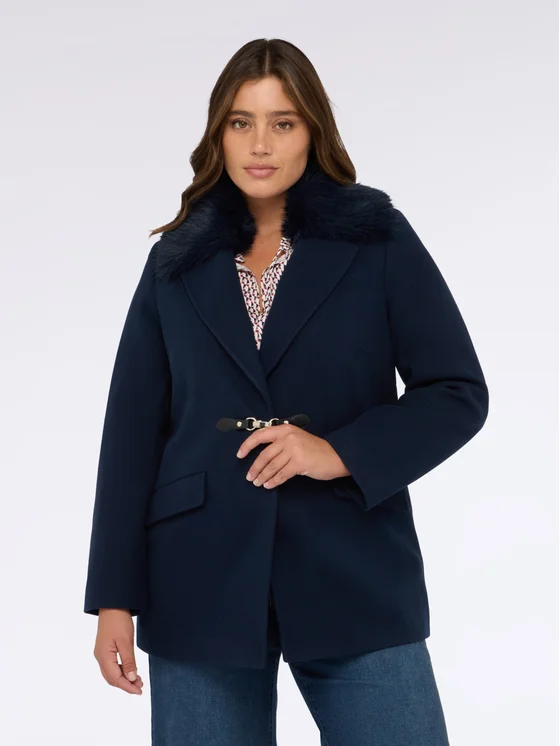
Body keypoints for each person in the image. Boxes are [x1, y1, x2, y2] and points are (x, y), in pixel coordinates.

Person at [83, 37, 489, 745]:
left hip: (352, 567)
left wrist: (337, 451)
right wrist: (114, 597)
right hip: (198, 577)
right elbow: (132, 432)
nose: (260, 144)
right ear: (219, 133)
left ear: (313, 132)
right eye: (241, 122)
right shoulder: (175, 261)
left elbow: (456, 390)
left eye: (283, 122)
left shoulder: (376, 240)